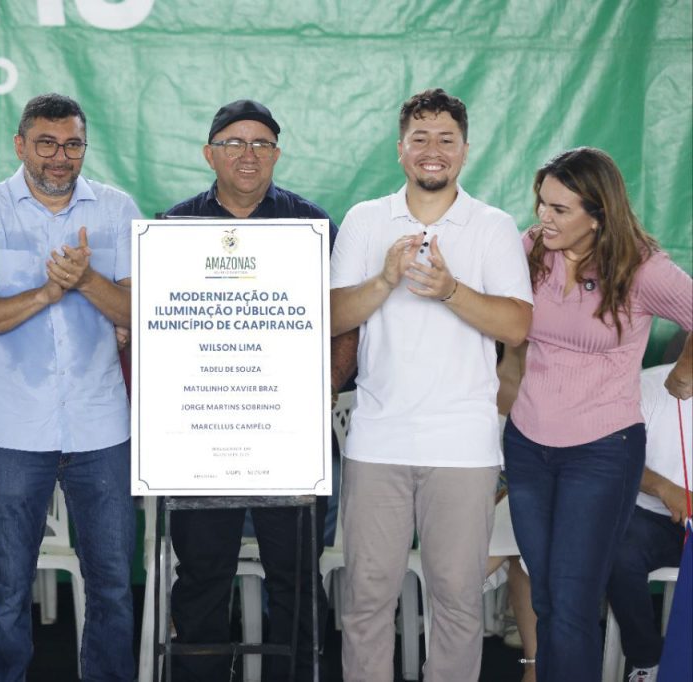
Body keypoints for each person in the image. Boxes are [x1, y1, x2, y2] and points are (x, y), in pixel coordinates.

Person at [330, 88, 533, 682]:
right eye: (420, 138)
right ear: (400, 150)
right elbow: (335, 314)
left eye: (446, 139)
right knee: (367, 601)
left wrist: (449, 289)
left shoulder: (492, 226)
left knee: (458, 601)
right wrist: (385, 279)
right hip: (377, 440)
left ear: (465, 151)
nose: (432, 150)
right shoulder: (368, 219)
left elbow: (518, 324)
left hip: (462, 447)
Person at [0, 93, 138, 682]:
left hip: (102, 423)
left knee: (111, 583)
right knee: (6, 584)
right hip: (13, 425)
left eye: (72, 144)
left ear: (84, 146)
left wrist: (84, 281)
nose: (60, 157)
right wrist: (46, 294)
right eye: (48, 143)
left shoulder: (116, 208)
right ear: (21, 145)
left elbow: (140, 310)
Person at [163, 98, 357, 682]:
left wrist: (325, 385)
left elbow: (344, 321)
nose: (248, 155)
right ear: (209, 153)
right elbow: (160, 328)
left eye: (262, 144)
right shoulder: (174, 229)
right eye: (234, 143)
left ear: (276, 154)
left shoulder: (313, 226)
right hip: (203, 437)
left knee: (296, 576)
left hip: (287, 434)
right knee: (200, 576)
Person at [500, 147, 693, 682]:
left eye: (560, 209)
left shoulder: (643, 267)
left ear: (598, 213)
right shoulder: (532, 248)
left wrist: (684, 373)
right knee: (546, 595)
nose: (544, 217)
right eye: (542, 203)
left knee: (573, 600)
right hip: (527, 445)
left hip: (603, 451)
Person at [605, 361, 692, 682]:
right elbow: (614, 457)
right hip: (650, 517)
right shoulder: (649, 385)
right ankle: (646, 660)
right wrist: (665, 488)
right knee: (616, 551)